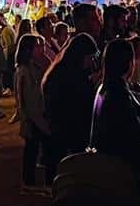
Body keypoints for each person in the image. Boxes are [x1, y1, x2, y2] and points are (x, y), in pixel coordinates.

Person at [89, 38, 140, 173]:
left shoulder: (104, 88)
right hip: (119, 166)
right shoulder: (119, 93)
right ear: (130, 64)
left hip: (104, 160)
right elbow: (133, 136)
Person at [42, 33, 98, 175]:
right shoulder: (65, 75)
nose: (91, 62)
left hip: (66, 129)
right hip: (67, 128)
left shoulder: (63, 70)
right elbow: (76, 101)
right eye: (89, 58)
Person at [14, 34, 51, 193]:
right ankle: (28, 182)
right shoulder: (25, 70)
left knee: (34, 148)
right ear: (27, 50)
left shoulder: (40, 65)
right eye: (37, 46)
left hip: (40, 114)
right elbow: (28, 99)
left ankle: (30, 180)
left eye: (42, 46)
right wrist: (36, 120)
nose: (41, 49)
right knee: (32, 148)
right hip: (34, 117)